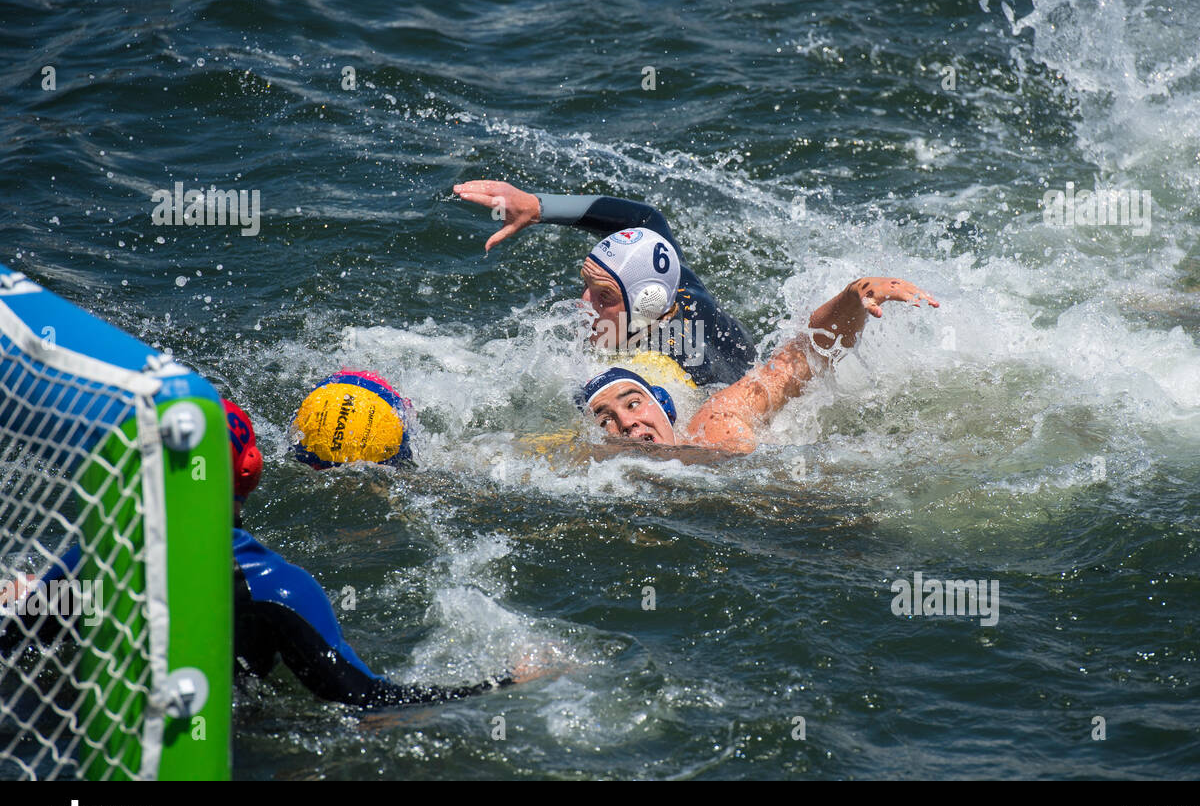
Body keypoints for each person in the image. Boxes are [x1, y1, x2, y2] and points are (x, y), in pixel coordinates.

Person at [2, 400, 522, 710]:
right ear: (250, 471)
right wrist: (506, 683)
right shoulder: (277, 586)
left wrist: (30, 598)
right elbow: (371, 704)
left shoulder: (87, 562)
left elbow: (16, 646)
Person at [579, 277, 940, 455]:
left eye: (632, 403)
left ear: (664, 405)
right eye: (605, 420)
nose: (626, 423)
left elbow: (803, 356)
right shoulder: (608, 483)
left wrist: (854, 294)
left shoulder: (715, 424)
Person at [453, 179, 757, 387]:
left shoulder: (676, 366)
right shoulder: (667, 273)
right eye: (587, 283)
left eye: (605, 296)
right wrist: (535, 207)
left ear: (645, 308)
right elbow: (646, 219)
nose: (585, 303)